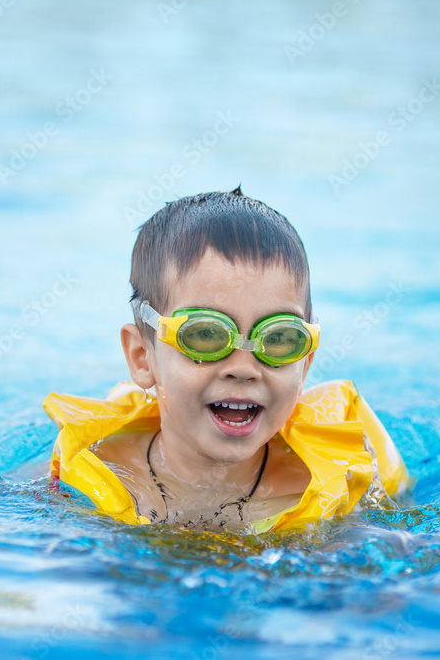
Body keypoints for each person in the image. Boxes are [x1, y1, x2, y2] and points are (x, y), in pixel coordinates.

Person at [44, 188, 411, 533]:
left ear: (306, 363)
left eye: (279, 339)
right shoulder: (95, 467)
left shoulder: (340, 482)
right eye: (205, 334)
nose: (243, 367)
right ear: (143, 358)